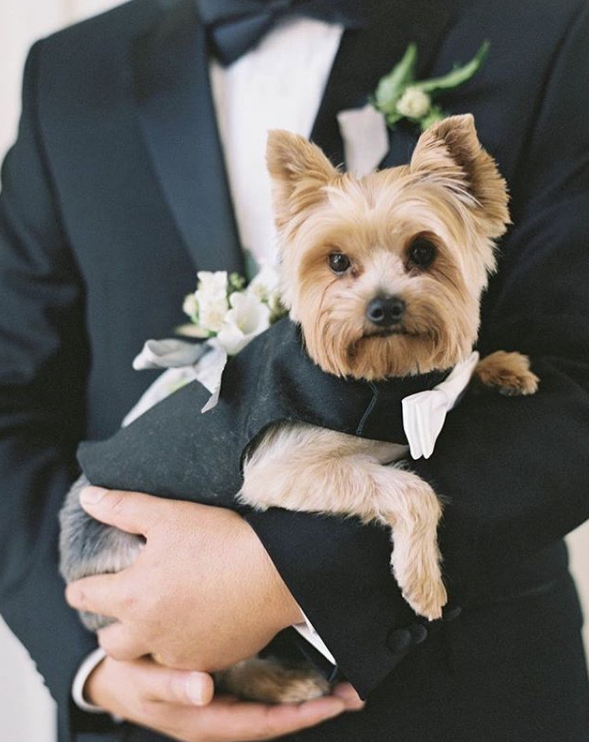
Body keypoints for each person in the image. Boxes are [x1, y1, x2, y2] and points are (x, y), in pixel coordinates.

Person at [1, 0, 589, 740]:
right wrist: (94, 659)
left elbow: (576, 367)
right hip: (143, 702)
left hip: (467, 695)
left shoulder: (545, 26)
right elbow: (10, 395)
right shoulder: (70, 68)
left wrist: (286, 571)